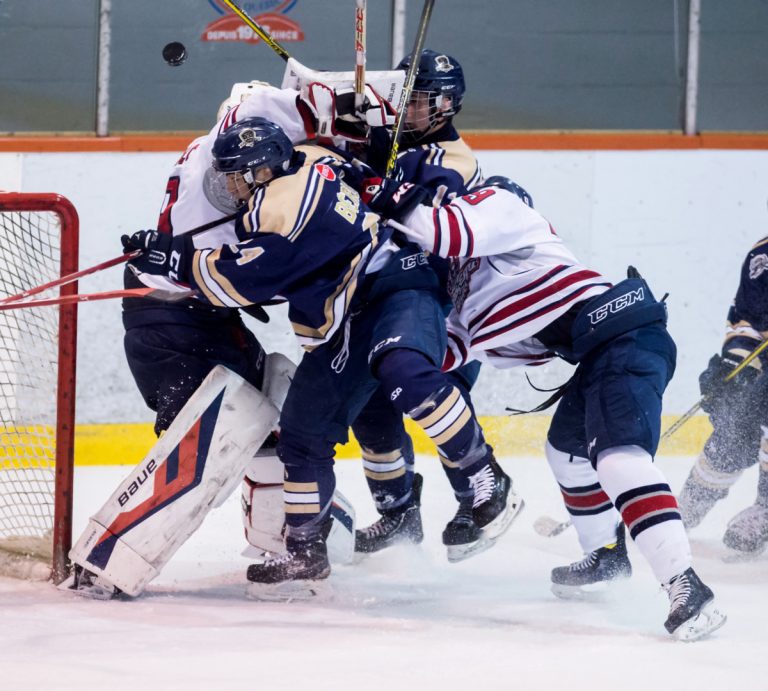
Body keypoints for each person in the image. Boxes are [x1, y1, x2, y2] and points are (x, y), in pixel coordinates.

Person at [122, 117, 522, 593]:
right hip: (343, 317)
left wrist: (170, 258)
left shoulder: (281, 207)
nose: (227, 185)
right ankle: (306, 552)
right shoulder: (313, 158)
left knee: (405, 372)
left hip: (394, 285)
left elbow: (242, 280)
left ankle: (486, 477)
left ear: (260, 172)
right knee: (302, 433)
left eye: (234, 175)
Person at [370, 175, 726, 640]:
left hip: (626, 338)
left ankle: (686, 584)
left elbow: (443, 232)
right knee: (567, 452)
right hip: (604, 353)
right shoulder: (470, 301)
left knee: (619, 461)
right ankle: (606, 556)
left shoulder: (511, 216)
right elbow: (441, 352)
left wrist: (383, 190)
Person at [352, 49, 489, 559]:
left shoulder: (455, 160)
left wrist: (371, 173)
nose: (405, 105)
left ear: (447, 104)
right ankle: (398, 512)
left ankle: (473, 500)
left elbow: (416, 215)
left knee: (440, 397)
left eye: (419, 98)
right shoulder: (387, 140)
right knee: (369, 406)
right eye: (403, 95)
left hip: (443, 302)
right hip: (379, 291)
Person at [677, 236, 768, 556]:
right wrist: (734, 365)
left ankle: (766, 507)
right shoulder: (763, 255)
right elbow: (747, 319)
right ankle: (687, 505)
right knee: (735, 423)